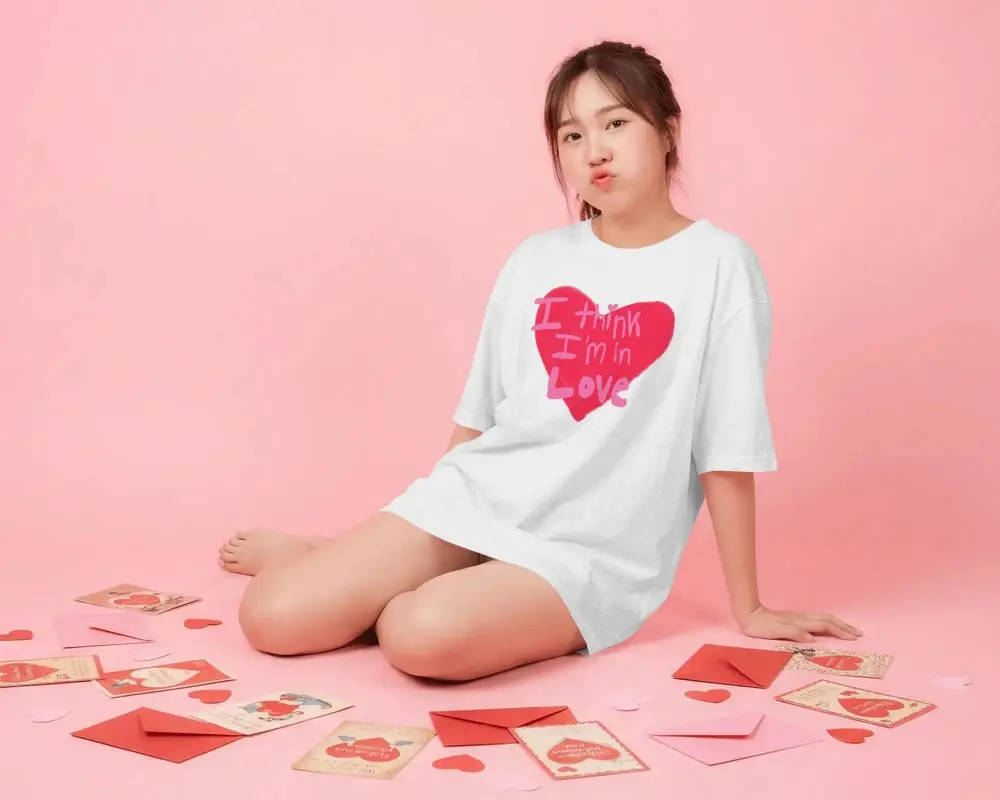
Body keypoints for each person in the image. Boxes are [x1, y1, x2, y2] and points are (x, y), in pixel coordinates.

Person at [218, 40, 862, 681]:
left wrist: (748, 607)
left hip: (589, 551)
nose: (595, 151)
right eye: (572, 135)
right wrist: (423, 521)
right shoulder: (536, 259)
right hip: (483, 501)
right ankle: (335, 560)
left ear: (668, 132)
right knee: (270, 616)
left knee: (418, 634)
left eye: (616, 123)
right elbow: (480, 413)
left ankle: (384, 577)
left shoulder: (720, 264)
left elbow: (727, 447)